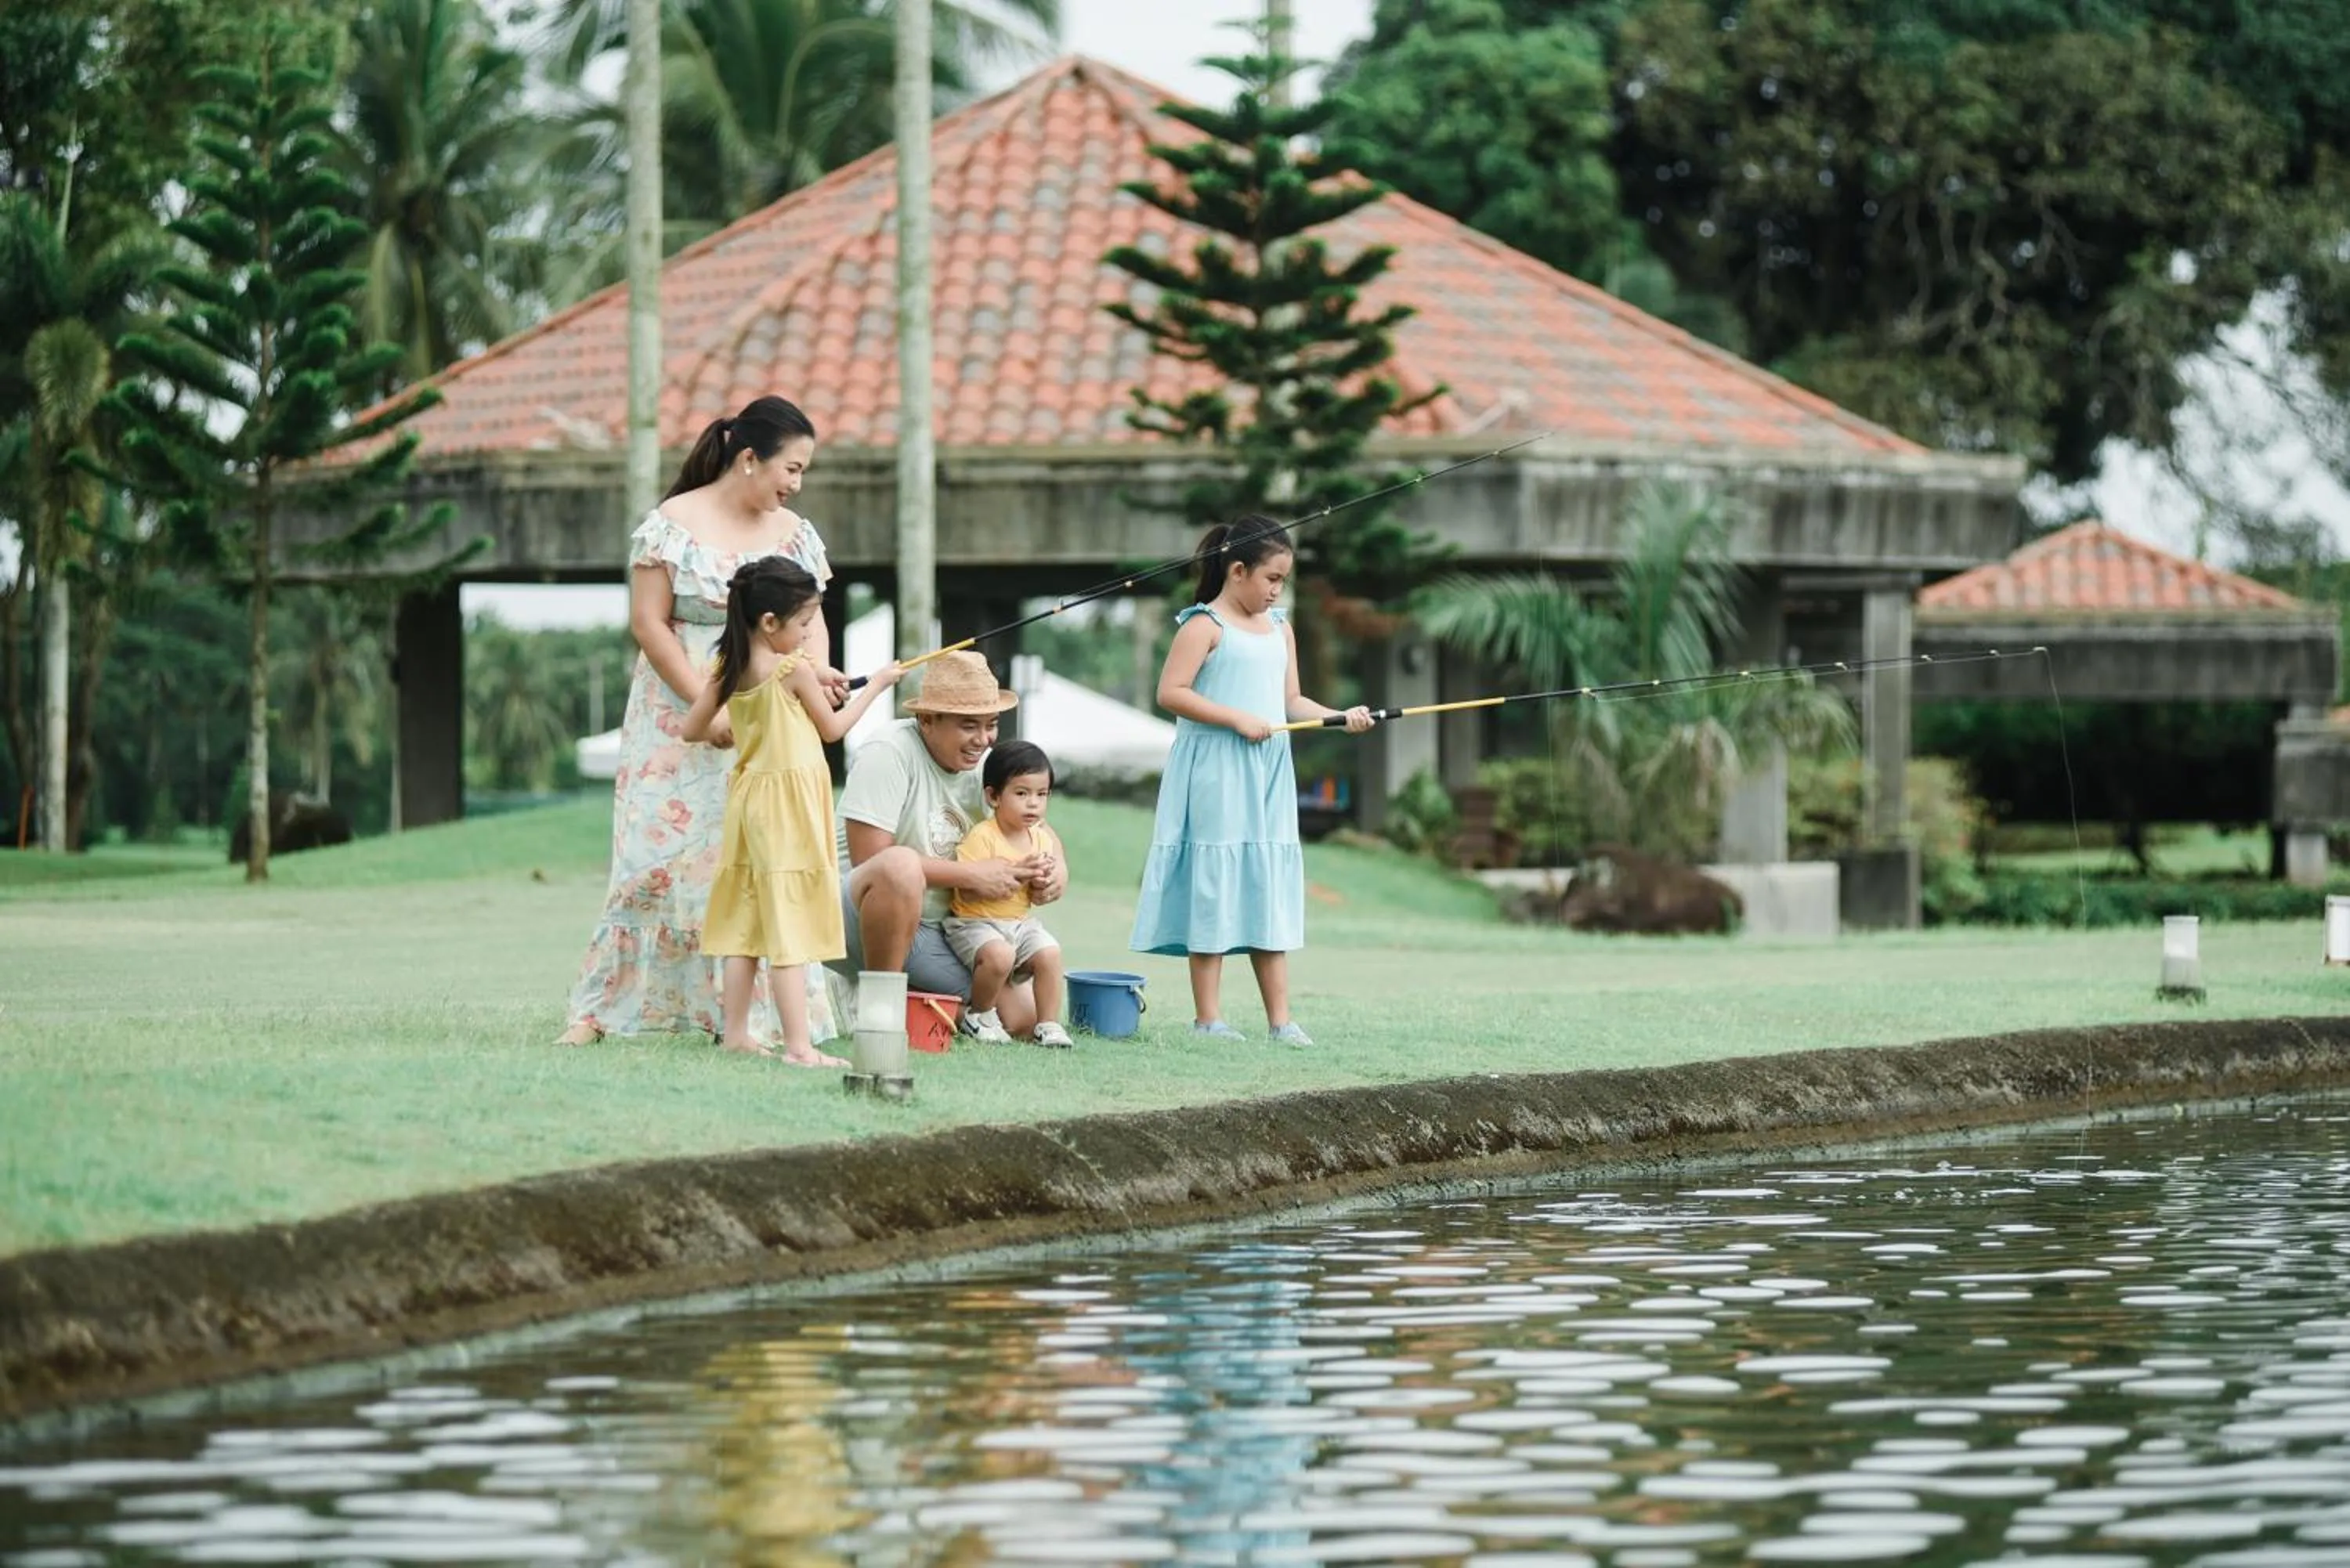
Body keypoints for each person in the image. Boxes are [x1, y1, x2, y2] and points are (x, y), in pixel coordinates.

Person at [556, 396, 850, 1049]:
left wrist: (817, 677)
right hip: (677, 711)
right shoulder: (672, 524)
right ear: (749, 459)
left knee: (753, 861)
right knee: (653, 858)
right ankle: (603, 1010)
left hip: (769, 718)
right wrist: (707, 707)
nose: (797, 484)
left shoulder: (795, 535)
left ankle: (752, 1020)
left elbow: (812, 624)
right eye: (792, 468)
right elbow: (648, 622)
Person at [1130, 516, 1374, 1045]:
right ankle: (1208, 1019)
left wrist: (1340, 717)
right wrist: (1236, 718)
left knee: (1266, 879)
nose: (1276, 590)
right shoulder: (1204, 626)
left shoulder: (1280, 628)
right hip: (1216, 768)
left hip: (1267, 770)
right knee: (1214, 880)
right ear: (1237, 571)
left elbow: (1292, 701)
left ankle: (1281, 1021)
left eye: (1283, 581)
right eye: (1271, 578)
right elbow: (1171, 693)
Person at [683, 558, 903, 1063]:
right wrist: (878, 685)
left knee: (748, 920)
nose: (807, 635)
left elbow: (693, 729)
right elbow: (834, 729)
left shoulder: (731, 666)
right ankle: (799, 1047)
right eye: (803, 624)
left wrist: (745, 725)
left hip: (750, 801)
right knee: (790, 922)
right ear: (769, 622)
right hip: (790, 806)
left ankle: (736, 1035)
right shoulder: (792, 670)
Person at [829, 651, 1066, 1035]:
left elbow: (1040, 827)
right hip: (855, 916)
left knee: (1022, 1021)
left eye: (991, 725)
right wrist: (972, 875)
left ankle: (923, 1006)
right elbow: (871, 858)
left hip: (947, 925)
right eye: (969, 726)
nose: (983, 740)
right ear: (927, 719)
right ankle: (879, 1009)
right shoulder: (888, 750)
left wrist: (1057, 869)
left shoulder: (984, 765)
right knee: (900, 865)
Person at [942, 740, 1073, 1048]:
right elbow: (966, 894)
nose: (1033, 804)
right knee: (1000, 955)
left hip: (1019, 923)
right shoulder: (982, 837)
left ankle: (1049, 1024)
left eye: (1041, 794)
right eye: (1022, 793)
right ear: (994, 796)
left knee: (1050, 953)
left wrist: (1041, 885)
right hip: (975, 923)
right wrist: (1015, 875)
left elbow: (1035, 895)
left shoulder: (1040, 839)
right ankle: (980, 1015)